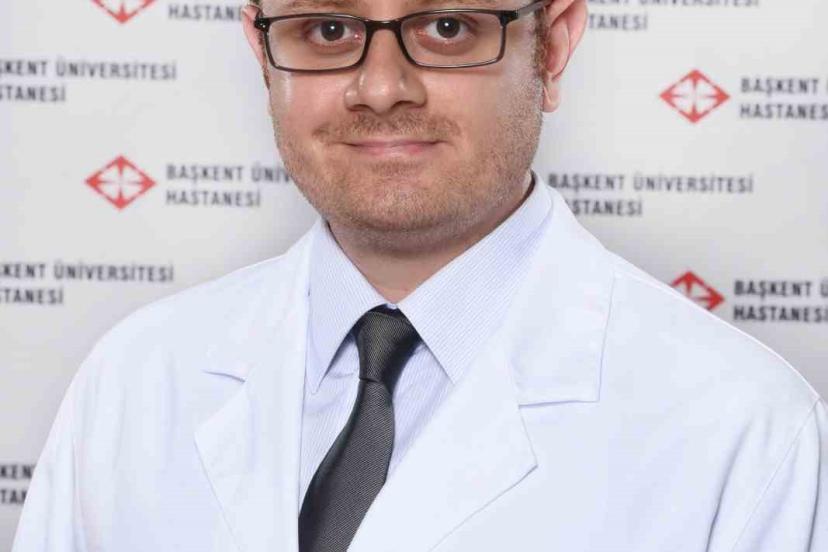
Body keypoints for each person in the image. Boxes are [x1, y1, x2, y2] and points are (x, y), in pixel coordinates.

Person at [12, 0, 827, 550]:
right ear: (261, 52)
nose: (380, 88)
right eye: (328, 29)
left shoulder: (742, 426)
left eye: (446, 27)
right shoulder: (135, 378)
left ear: (552, 46)